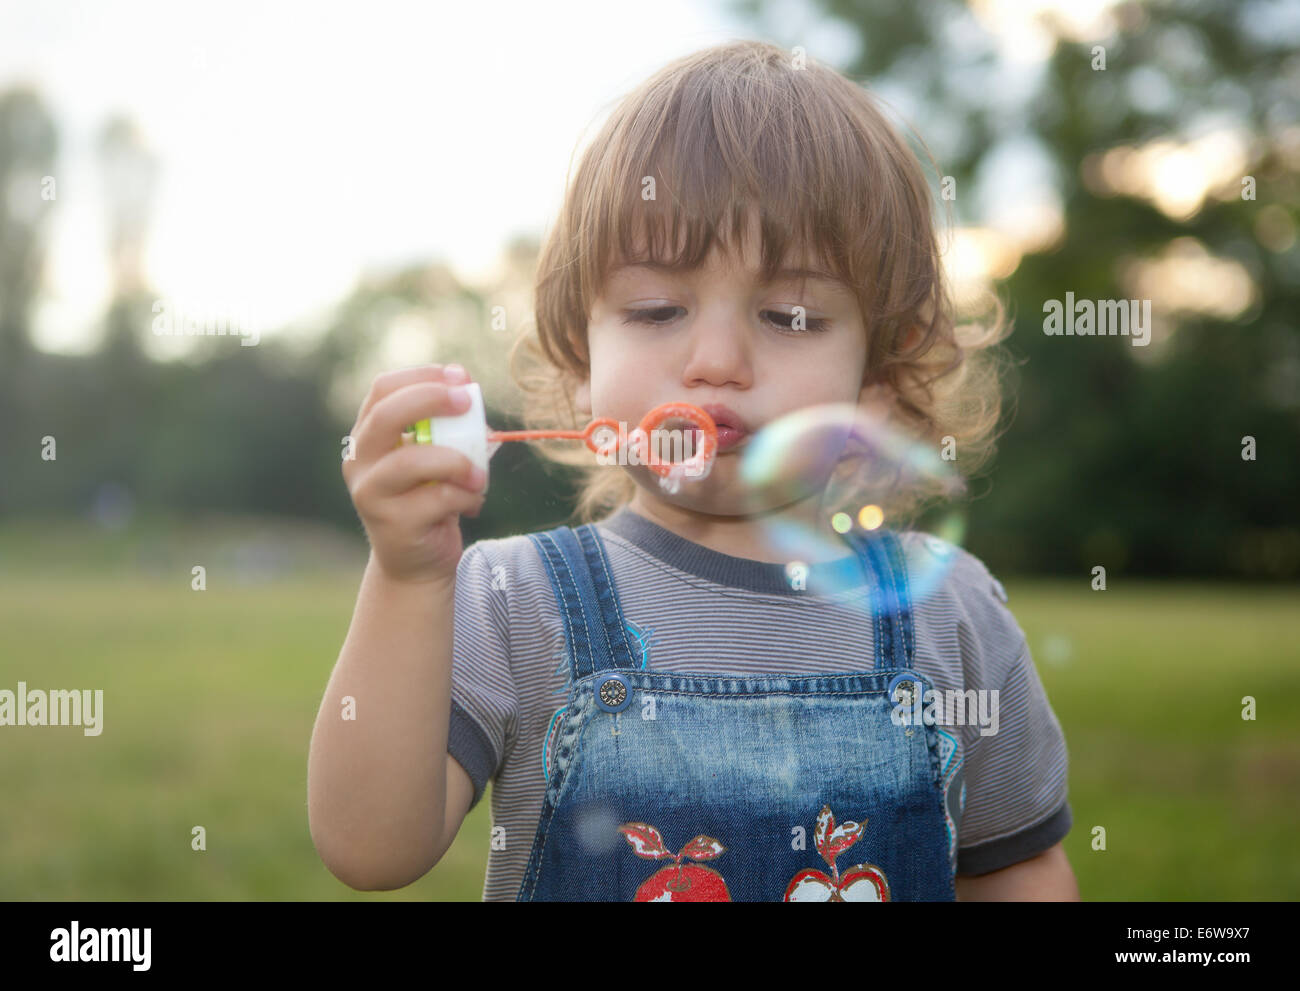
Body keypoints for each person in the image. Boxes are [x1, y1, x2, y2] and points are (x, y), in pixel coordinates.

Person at [308, 39, 1079, 901]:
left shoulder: (953, 613)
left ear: (876, 378)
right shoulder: (511, 602)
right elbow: (369, 847)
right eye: (657, 308)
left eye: (789, 315)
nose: (716, 360)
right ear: (579, 359)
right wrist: (409, 577)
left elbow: (1019, 867)